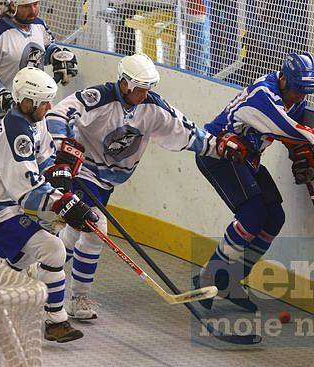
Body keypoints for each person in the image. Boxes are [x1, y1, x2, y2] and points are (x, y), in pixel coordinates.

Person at [45, 53, 224, 320]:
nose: (145, 93)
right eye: (140, 88)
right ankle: (78, 296)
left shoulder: (153, 107)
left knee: (78, 227)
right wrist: (63, 148)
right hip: (82, 172)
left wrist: (220, 147)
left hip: (107, 182)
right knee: (95, 227)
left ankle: (45, 269)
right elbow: (58, 114)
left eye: (148, 88)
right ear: (125, 83)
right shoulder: (99, 98)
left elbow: (186, 131)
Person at [192, 52, 314, 311]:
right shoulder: (264, 95)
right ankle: (209, 276)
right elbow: (288, 128)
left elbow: (291, 133)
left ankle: (231, 282)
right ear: (283, 78)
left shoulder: (295, 96)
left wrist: (300, 155)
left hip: (246, 157)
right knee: (252, 214)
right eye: (296, 91)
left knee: (274, 218)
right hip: (218, 153)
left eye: (305, 93)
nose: (300, 97)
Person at [0, 67, 98, 342]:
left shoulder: (32, 121)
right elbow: (26, 191)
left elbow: (45, 160)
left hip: (3, 203)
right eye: (44, 103)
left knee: (24, 255)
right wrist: (63, 203)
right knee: (53, 249)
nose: (49, 107)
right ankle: (56, 322)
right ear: (26, 102)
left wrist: (60, 173)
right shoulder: (18, 133)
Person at [0, 0, 78, 126]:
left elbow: (45, 49)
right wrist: (6, 100)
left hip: (39, 112)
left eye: (35, 4)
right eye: (27, 6)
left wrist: (57, 56)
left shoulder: (39, 25)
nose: (33, 10)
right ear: (13, 5)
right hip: (7, 118)